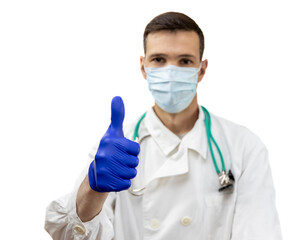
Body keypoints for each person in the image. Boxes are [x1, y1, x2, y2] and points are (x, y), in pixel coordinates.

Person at [45, 12, 282, 240]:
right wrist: (92, 189)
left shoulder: (244, 147)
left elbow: (259, 234)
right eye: (159, 59)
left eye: (185, 61)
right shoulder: (119, 146)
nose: (171, 71)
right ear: (143, 66)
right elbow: (70, 236)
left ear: (202, 69)